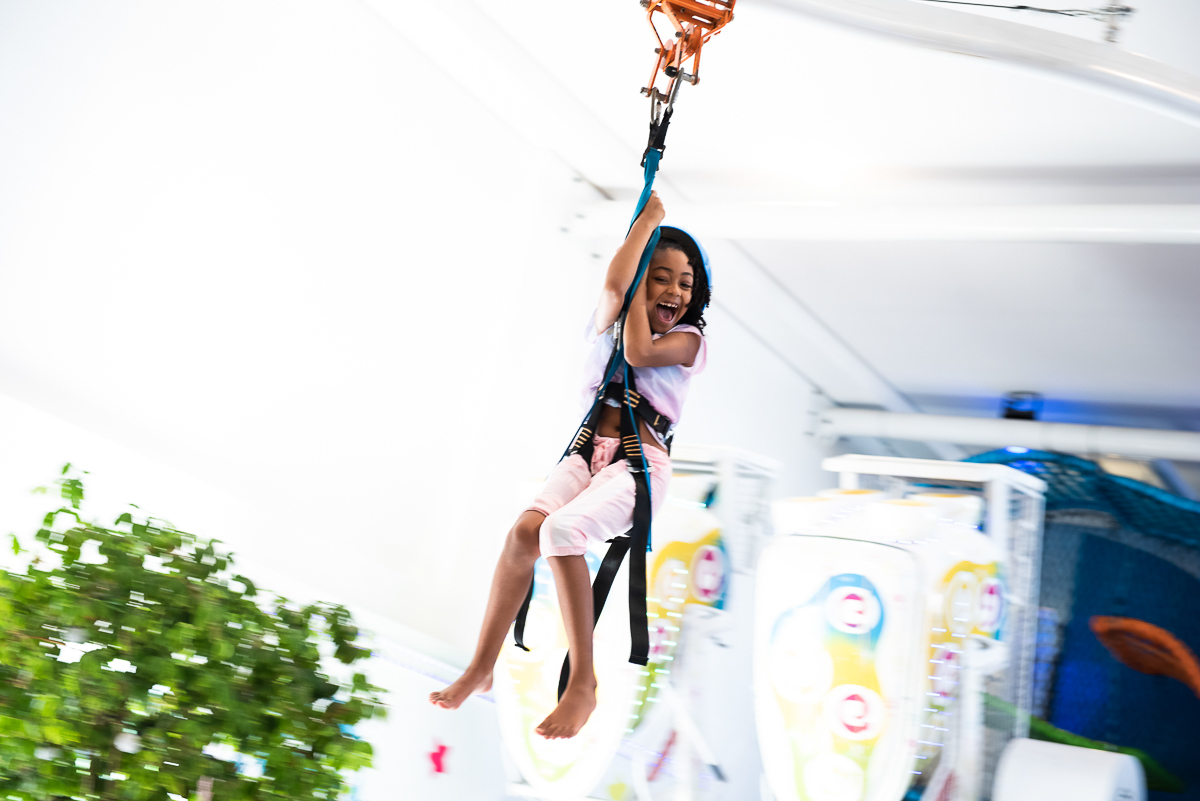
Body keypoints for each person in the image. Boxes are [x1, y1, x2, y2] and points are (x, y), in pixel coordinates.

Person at [428, 191, 710, 739]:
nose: (674, 290)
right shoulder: (605, 320)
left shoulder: (690, 340)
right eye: (660, 277)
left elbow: (637, 353)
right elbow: (612, 291)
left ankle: (583, 681)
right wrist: (644, 229)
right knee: (523, 535)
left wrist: (637, 276)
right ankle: (482, 666)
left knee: (561, 530)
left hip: (639, 466)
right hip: (587, 453)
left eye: (686, 283)